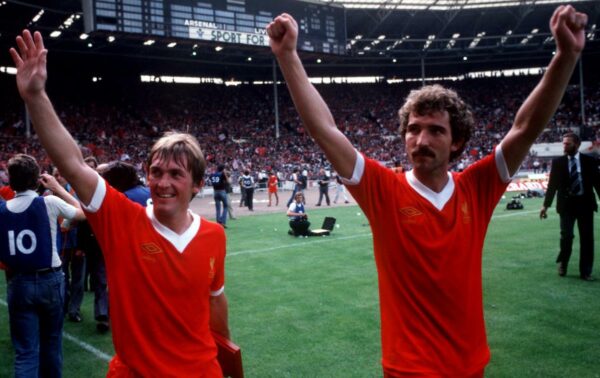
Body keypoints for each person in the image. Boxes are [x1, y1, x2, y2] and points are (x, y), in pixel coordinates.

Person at [268, 5, 587, 376]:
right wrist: (288, 57)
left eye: (435, 130)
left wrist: (566, 56)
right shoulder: (382, 189)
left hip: (470, 365)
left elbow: (525, 128)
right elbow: (325, 130)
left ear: (457, 142)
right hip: (408, 369)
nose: (421, 139)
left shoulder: (476, 188)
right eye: (413, 129)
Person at [11, 30, 231, 376]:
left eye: (176, 174)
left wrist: (227, 357)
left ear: (198, 185)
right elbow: (73, 164)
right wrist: (36, 96)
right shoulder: (122, 219)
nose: (162, 182)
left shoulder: (215, 235)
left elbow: (216, 300)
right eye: (156, 172)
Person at [0, 154, 85, 377]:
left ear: (10, 180)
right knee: (52, 345)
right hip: (50, 280)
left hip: (18, 281)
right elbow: (83, 212)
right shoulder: (49, 202)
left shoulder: (2, 209)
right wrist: (58, 188)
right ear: (37, 179)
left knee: (26, 352)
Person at [540, 132, 600, 281]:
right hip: (566, 206)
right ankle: (563, 263)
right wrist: (545, 206)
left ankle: (585, 271)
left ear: (577, 145)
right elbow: (552, 186)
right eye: (564, 143)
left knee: (587, 239)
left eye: (568, 143)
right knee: (566, 236)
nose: (564, 146)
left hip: (585, 204)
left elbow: (598, 183)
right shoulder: (558, 162)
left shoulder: (589, 161)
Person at [51, 167, 85, 324]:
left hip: (77, 242)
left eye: (61, 174)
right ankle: (62, 307)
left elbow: (86, 218)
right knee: (61, 277)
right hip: (57, 244)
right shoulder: (46, 196)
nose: (58, 177)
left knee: (78, 278)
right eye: (55, 175)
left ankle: (74, 310)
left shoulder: (78, 193)